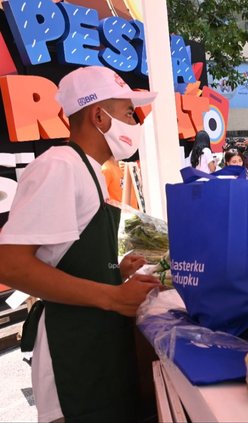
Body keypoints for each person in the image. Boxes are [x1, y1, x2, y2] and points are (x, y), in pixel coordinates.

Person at [0, 66, 161, 422]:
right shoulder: (60, 166)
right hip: (71, 352)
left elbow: (60, 261)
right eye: (128, 113)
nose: (135, 122)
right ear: (99, 116)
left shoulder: (89, 172)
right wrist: (112, 296)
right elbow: (10, 265)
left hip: (96, 345)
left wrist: (114, 272)